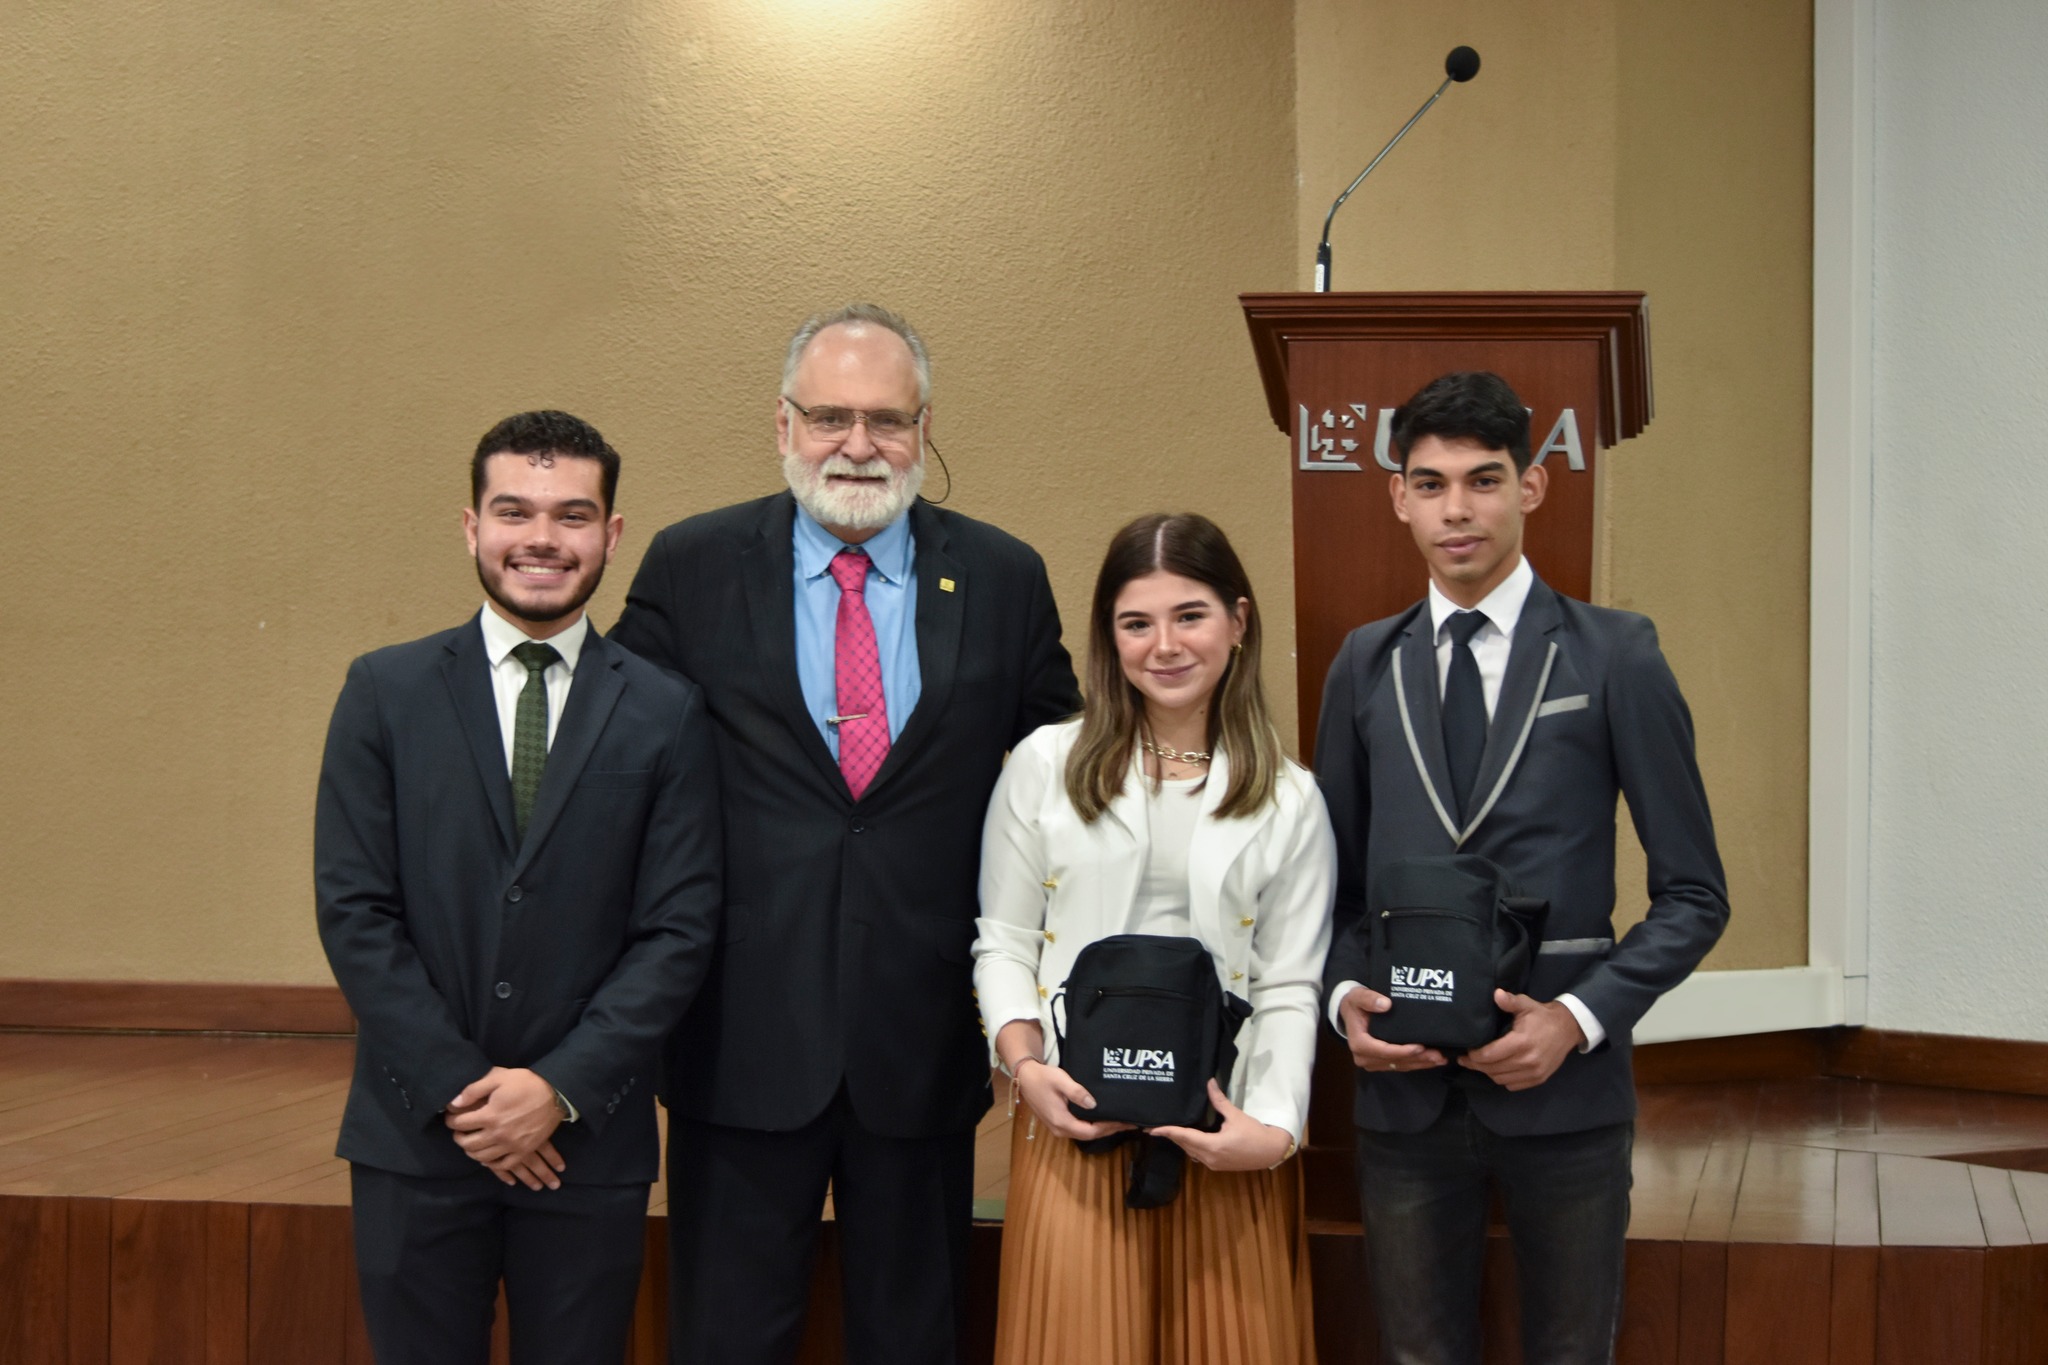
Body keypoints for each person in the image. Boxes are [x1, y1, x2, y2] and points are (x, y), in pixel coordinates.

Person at [611, 303, 1080, 1365]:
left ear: (924, 428)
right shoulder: (691, 567)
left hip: (918, 1032)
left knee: (912, 1335)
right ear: (781, 425)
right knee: (727, 1336)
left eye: (886, 419)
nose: (858, 446)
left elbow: (1067, 776)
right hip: (740, 1031)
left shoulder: (1003, 578)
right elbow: (620, 772)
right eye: (829, 417)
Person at [1316, 371, 1730, 1364]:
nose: (1454, 510)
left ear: (1530, 488)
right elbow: (1326, 890)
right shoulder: (1360, 664)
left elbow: (1693, 895)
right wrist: (1342, 1003)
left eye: (1481, 480)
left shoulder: (1613, 656)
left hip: (1566, 1095)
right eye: (1428, 484)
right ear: (1397, 497)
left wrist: (1576, 1020)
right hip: (1404, 1101)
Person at [314, 410, 723, 1364]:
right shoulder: (385, 690)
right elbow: (354, 910)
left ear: (610, 535)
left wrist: (558, 1088)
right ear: (471, 526)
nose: (543, 538)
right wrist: (469, 1094)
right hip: (415, 1136)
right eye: (515, 511)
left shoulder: (667, 711)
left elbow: (679, 927)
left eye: (573, 515)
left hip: (586, 1144)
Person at [973, 512, 1335, 1364]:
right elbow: (1004, 942)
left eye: (1191, 614)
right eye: (1137, 621)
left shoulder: (1290, 799)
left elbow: (1289, 984)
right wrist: (1027, 1071)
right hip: (1074, 1123)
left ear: (1239, 622)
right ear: (1109, 636)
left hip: (1224, 1129)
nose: (1164, 644)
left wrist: (1274, 1130)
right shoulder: (1044, 766)